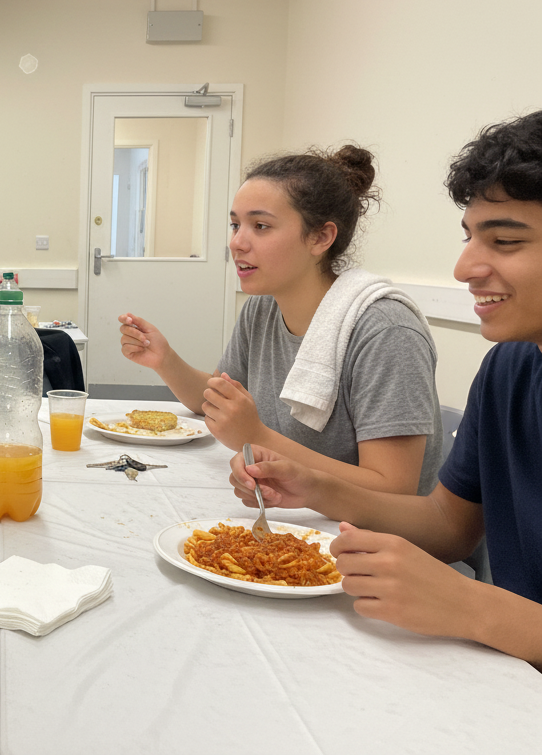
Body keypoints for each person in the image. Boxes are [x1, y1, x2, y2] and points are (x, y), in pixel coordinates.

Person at [230, 112, 542, 662]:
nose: (465, 266)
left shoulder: (386, 327)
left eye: (507, 241)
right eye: (469, 237)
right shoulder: (508, 370)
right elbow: (449, 526)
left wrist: (472, 605)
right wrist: (313, 487)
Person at [120, 145, 443, 495]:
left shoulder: (385, 331)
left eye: (260, 226)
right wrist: (164, 360)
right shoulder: (262, 309)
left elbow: (393, 491)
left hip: (376, 540)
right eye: (235, 225)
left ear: (320, 237)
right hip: (298, 516)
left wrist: (258, 437)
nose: (237, 243)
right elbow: (216, 404)